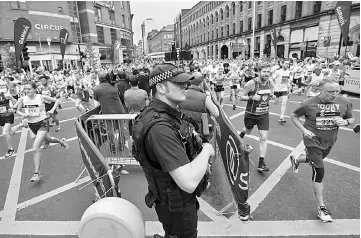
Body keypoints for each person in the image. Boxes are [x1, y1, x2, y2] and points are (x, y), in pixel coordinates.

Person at [132, 63, 215, 238]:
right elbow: (188, 181)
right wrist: (207, 149)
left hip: (171, 201)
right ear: (160, 88)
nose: (184, 86)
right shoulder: (160, 128)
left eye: (185, 82)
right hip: (177, 207)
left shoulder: (157, 114)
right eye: (178, 83)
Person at [290, 77, 355, 222]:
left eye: (337, 91)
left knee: (313, 160)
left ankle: (296, 159)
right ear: (320, 90)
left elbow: (351, 119)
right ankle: (321, 208)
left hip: (330, 142)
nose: (335, 94)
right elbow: (294, 116)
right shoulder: (308, 104)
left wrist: (345, 122)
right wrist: (304, 130)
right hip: (313, 142)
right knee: (319, 171)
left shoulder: (344, 102)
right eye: (331, 91)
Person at [16, 81, 69, 182]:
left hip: (43, 123)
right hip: (32, 125)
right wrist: (23, 115)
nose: (26, 91)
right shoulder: (23, 99)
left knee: (35, 147)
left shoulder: (40, 97)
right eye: (25, 89)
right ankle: (61, 142)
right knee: (48, 139)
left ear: (35, 89)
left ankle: (37, 173)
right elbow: (17, 111)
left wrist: (52, 110)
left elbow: (57, 101)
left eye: (29, 89)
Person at [238, 64, 275, 172]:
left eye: (268, 72)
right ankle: (242, 133)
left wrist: (272, 96)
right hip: (251, 114)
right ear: (258, 72)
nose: (266, 74)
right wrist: (251, 97)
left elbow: (270, 93)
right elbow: (239, 96)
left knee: (263, 138)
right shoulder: (251, 83)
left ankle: (261, 162)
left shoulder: (269, 81)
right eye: (264, 71)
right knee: (248, 130)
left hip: (263, 115)